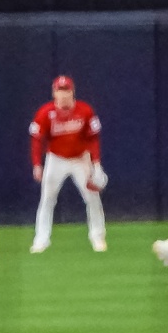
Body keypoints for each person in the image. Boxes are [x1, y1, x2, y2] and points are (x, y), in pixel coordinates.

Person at [28, 75, 105, 255]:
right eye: (59, 91)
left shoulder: (85, 110)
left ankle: (97, 236)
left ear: (72, 92)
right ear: (54, 93)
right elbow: (36, 140)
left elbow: (93, 138)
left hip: (81, 159)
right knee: (47, 199)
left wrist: (96, 164)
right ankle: (41, 239)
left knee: (92, 198)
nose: (63, 95)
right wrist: (37, 164)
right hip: (56, 159)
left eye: (66, 91)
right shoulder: (45, 112)